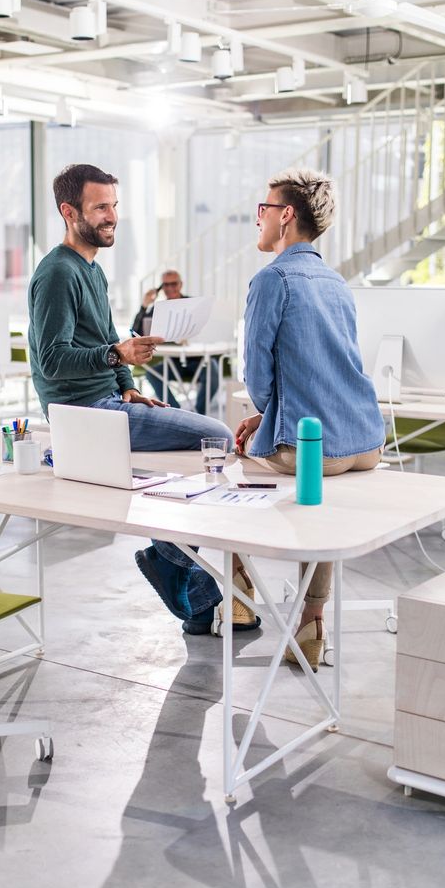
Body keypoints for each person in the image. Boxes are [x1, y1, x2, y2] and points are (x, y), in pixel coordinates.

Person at [140, 167, 386, 659]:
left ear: (286, 216)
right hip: (363, 440)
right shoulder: (337, 282)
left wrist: (264, 415)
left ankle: (238, 596)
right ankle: (313, 621)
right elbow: (329, 369)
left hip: (309, 445)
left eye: (263, 210)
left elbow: (256, 377)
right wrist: (269, 416)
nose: (259, 220)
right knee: (316, 508)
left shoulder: (272, 278)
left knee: (223, 471)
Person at [27, 163, 234, 629]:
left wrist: (130, 387)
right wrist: (114, 355)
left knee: (196, 462)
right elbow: (53, 361)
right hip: (82, 413)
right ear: (69, 211)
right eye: (100, 206)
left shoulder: (92, 274)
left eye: (114, 206)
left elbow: (105, 343)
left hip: (109, 403)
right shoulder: (58, 274)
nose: (112, 216)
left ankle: (194, 599)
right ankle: (169, 560)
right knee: (217, 435)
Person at [132, 270, 219, 414]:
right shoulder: (158, 309)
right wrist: (144, 306)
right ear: (161, 288)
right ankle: (178, 413)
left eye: (174, 284)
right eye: (165, 285)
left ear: (180, 284)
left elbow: (208, 331)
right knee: (152, 373)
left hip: (198, 360)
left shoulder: (194, 304)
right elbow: (136, 333)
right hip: (173, 362)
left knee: (213, 370)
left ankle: (198, 414)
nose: (170, 288)